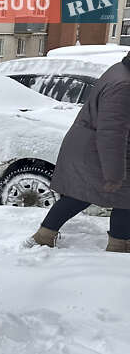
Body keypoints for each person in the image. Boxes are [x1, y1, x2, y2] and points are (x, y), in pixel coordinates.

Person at [29, 52, 130, 252]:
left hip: (89, 146)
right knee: (125, 197)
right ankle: (120, 246)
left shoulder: (121, 69)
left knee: (81, 194)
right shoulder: (124, 86)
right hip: (97, 150)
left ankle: (45, 235)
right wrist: (114, 173)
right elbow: (111, 133)